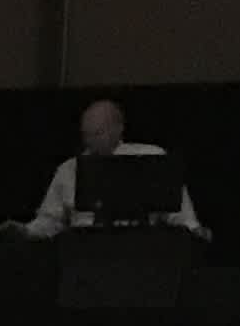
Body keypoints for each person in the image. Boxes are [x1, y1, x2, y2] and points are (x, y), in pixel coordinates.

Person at [19, 98, 201, 237]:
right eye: (86, 134)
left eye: (97, 133)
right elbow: (50, 220)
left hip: (141, 250)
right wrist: (25, 231)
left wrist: (194, 230)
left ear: (119, 128)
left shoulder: (152, 158)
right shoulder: (68, 169)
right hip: (84, 252)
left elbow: (179, 213)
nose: (90, 141)